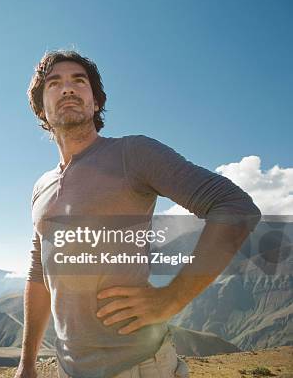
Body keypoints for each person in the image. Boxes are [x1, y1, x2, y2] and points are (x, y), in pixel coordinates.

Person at [15, 50, 261, 378]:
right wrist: (27, 362)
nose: (68, 88)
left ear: (97, 101)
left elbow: (235, 207)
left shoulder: (133, 153)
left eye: (79, 81)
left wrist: (172, 298)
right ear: (41, 110)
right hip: (67, 370)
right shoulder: (41, 187)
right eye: (54, 83)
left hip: (139, 366)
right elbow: (38, 272)